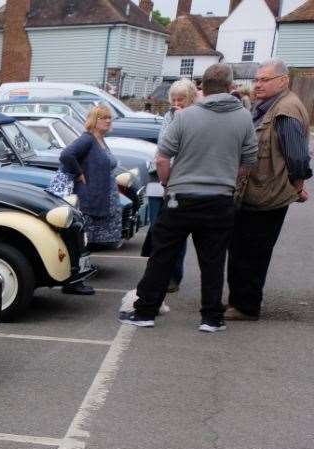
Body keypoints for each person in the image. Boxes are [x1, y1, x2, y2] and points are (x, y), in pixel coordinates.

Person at [119, 63, 256, 331]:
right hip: (220, 198)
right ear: (230, 88)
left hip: (181, 197)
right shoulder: (243, 118)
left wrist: (168, 182)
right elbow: (249, 160)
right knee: (213, 260)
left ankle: (145, 311)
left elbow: (162, 158)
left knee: (163, 256)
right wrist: (230, 179)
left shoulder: (185, 117)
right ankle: (211, 318)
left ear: (202, 87)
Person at [226, 58, 310, 321]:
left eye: (265, 80)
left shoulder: (286, 110)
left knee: (253, 251)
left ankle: (246, 306)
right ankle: (239, 301)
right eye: (257, 79)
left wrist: (298, 185)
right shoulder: (268, 106)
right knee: (241, 248)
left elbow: (297, 157)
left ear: (283, 81)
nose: (258, 84)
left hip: (267, 195)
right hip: (256, 192)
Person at [59, 105, 123, 295]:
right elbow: (66, 155)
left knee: (86, 241)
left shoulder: (101, 140)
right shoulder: (87, 139)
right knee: (81, 240)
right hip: (88, 198)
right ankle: (73, 281)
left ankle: (80, 276)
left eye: (110, 117)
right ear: (94, 120)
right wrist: (79, 173)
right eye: (104, 117)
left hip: (100, 196)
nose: (108, 121)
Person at [144, 79, 198, 295]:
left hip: (182, 180)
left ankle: (174, 276)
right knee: (158, 228)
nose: (177, 103)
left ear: (191, 99)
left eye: (181, 99)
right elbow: (163, 146)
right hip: (161, 179)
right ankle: (158, 274)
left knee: (177, 231)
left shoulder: (196, 118)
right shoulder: (169, 116)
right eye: (174, 99)